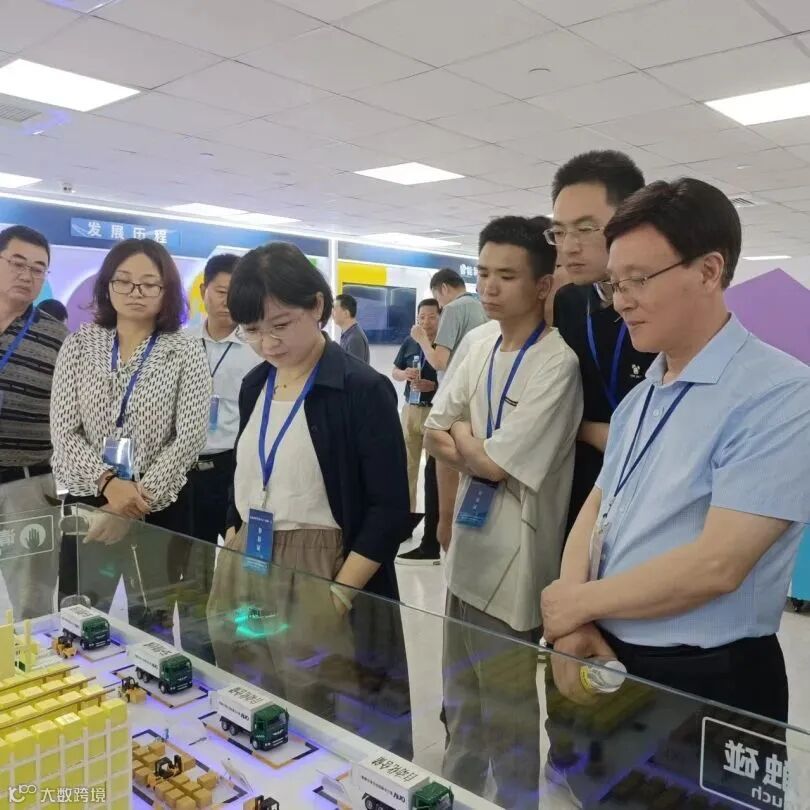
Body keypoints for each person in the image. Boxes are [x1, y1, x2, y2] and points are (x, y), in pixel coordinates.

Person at [541, 178, 810, 725]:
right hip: (605, 649)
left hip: (707, 677)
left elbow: (718, 565)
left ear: (709, 271)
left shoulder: (781, 394)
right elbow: (598, 507)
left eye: (639, 280)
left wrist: (577, 603)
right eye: (615, 283)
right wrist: (573, 617)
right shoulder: (642, 396)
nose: (622, 300)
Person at [206, 242, 413, 757]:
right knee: (256, 702)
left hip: (327, 570)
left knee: (329, 718)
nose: (267, 343)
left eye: (281, 325)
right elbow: (246, 468)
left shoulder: (361, 389)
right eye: (252, 330)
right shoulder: (256, 383)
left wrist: (338, 595)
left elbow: (389, 509)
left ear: (317, 306)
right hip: (251, 559)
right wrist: (234, 530)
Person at [425, 216, 582, 808]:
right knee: (461, 702)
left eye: (507, 276)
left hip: (516, 563)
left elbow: (492, 464)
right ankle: (455, 795)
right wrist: (478, 449)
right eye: (483, 273)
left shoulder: (557, 364)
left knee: (509, 717)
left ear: (542, 285)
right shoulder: (476, 343)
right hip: (468, 552)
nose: (489, 287)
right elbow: (435, 431)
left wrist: (468, 440)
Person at [51, 238, 211, 624]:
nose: (135, 292)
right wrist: (109, 485)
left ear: (166, 290)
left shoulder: (185, 350)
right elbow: (64, 430)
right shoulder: (79, 345)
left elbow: (189, 437)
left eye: (149, 283)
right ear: (107, 285)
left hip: (158, 506)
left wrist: (130, 504)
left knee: (154, 619)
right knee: (79, 615)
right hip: (91, 503)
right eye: (123, 281)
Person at [550, 151, 655, 533]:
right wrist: (592, 433)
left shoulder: (664, 305)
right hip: (582, 484)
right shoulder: (569, 302)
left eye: (585, 228)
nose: (568, 246)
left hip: (653, 486)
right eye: (559, 232)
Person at [0, 225, 68, 618]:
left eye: (38, 269)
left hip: (27, 486)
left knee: (32, 603)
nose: (27, 275)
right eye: (17, 263)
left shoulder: (59, 338)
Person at [413, 268, 488, 551]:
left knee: (442, 466)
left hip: (453, 402)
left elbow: (440, 361)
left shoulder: (454, 309)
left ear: (443, 289)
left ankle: (441, 538)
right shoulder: (481, 308)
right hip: (480, 401)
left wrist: (421, 338)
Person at [186, 254, 259, 544]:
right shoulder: (183, 343)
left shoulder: (258, 347)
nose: (228, 302)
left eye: (236, 293)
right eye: (221, 292)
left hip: (235, 465)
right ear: (204, 291)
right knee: (189, 554)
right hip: (186, 467)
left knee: (238, 553)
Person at [392, 298, 440, 565]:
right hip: (410, 409)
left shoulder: (442, 346)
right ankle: (406, 521)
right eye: (422, 317)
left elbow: (449, 377)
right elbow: (394, 371)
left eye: (431, 317)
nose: (425, 322)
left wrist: (433, 385)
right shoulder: (409, 342)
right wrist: (404, 375)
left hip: (434, 411)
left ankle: (434, 528)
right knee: (406, 467)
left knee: (433, 472)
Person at [334, 293, 370, 363]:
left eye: (335, 309)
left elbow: (355, 369)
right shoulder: (347, 334)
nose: (332, 313)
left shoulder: (355, 338)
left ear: (346, 313)